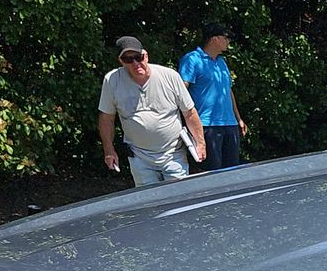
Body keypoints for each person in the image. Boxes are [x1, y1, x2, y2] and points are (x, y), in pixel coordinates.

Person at [97, 37, 205, 187]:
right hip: (139, 157)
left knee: (178, 198)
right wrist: (109, 150)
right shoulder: (112, 80)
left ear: (146, 56)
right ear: (121, 61)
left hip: (173, 153)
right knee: (148, 203)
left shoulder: (170, 76)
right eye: (128, 59)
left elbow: (189, 113)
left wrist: (200, 143)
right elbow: (106, 118)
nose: (135, 63)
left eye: (138, 57)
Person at [179, 23, 247, 170]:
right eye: (226, 38)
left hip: (230, 124)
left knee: (233, 170)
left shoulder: (222, 62)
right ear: (215, 39)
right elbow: (182, 92)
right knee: (212, 173)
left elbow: (228, 91)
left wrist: (238, 118)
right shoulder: (192, 59)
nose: (229, 42)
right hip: (206, 124)